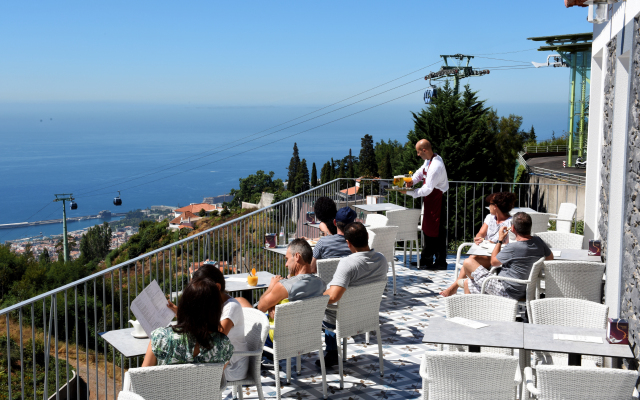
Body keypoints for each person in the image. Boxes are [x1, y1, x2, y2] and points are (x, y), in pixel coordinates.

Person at [236, 239, 325, 357]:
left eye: (287, 259)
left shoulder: (284, 287)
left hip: (278, 339)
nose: (286, 264)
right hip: (304, 336)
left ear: (297, 256)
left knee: (238, 301)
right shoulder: (321, 284)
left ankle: (250, 357)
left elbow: (260, 308)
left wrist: (272, 287)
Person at [317, 222, 388, 368]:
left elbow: (334, 297)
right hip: (368, 314)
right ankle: (332, 351)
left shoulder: (348, 264)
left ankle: (331, 353)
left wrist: (317, 298)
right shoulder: (381, 259)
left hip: (344, 317)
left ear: (348, 243)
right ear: (367, 236)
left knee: (322, 309)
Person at [167, 263, 249, 382]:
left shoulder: (231, 308)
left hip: (232, 366)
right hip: (218, 359)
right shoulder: (213, 304)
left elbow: (217, 339)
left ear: (217, 287)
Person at [141, 278, 234, 371]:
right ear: (216, 311)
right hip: (203, 386)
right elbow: (217, 379)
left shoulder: (160, 338)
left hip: (167, 386)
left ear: (184, 305)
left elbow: (143, 377)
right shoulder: (224, 345)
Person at [460, 212, 554, 300]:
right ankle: (473, 309)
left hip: (506, 290)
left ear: (512, 228)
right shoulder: (538, 241)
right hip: (526, 289)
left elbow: (494, 262)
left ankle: (475, 308)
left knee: (468, 262)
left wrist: (500, 240)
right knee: (467, 283)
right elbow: (550, 258)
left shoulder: (513, 247)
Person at [440, 192, 516, 297]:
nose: (488, 206)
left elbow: (510, 243)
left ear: (496, 207)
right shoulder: (489, 218)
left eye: (490, 204)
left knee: (471, 260)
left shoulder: (510, 222)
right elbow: (481, 233)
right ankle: (457, 287)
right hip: (485, 252)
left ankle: (455, 286)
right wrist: (478, 238)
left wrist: (495, 243)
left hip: (497, 257)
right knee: (472, 257)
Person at [403, 139, 449, 270]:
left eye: (418, 152)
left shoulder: (436, 166)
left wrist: (409, 192)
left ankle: (440, 262)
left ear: (424, 150)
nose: (417, 155)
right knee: (428, 229)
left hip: (437, 199)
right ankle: (426, 259)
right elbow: (420, 172)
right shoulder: (429, 160)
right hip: (431, 199)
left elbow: (427, 189)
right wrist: (412, 181)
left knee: (438, 231)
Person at [310, 206, 357, 273]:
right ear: (352, 225)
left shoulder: (322, 242)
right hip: (350, 282)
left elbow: (312, 269)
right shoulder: (357, 244)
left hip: (326, 282)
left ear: (334, 222)